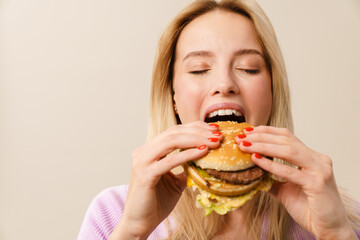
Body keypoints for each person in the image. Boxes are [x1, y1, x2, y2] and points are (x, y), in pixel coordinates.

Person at [78, 0, 360, 239]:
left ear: (273, 91)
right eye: (199, 69)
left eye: (248, 68)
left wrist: (338, 233)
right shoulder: (112, 214)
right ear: (172, 96)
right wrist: (133, 231)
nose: (224, 83)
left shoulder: (337, 216)